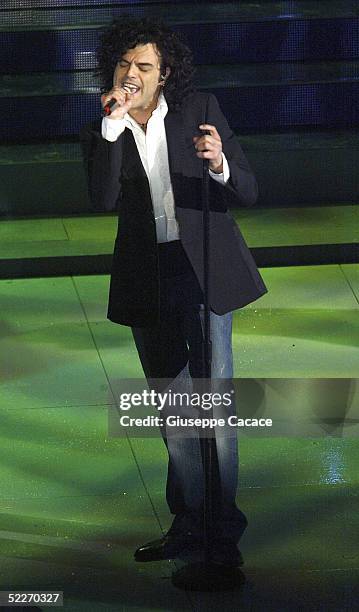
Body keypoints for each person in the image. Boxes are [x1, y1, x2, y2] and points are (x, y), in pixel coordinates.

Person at [80, 17, 267, 567]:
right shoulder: (101, 131)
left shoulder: (199, 109)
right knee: (175, 410)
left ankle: (221, 536)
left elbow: (250, 190)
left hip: (203, 269)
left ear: (164, 75)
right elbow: (101, 198)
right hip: (148, 273)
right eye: (124, 65)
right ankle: (191, 525)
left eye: (144, 66)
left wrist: (219, 164)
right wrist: (113, 129)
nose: (132, 74)